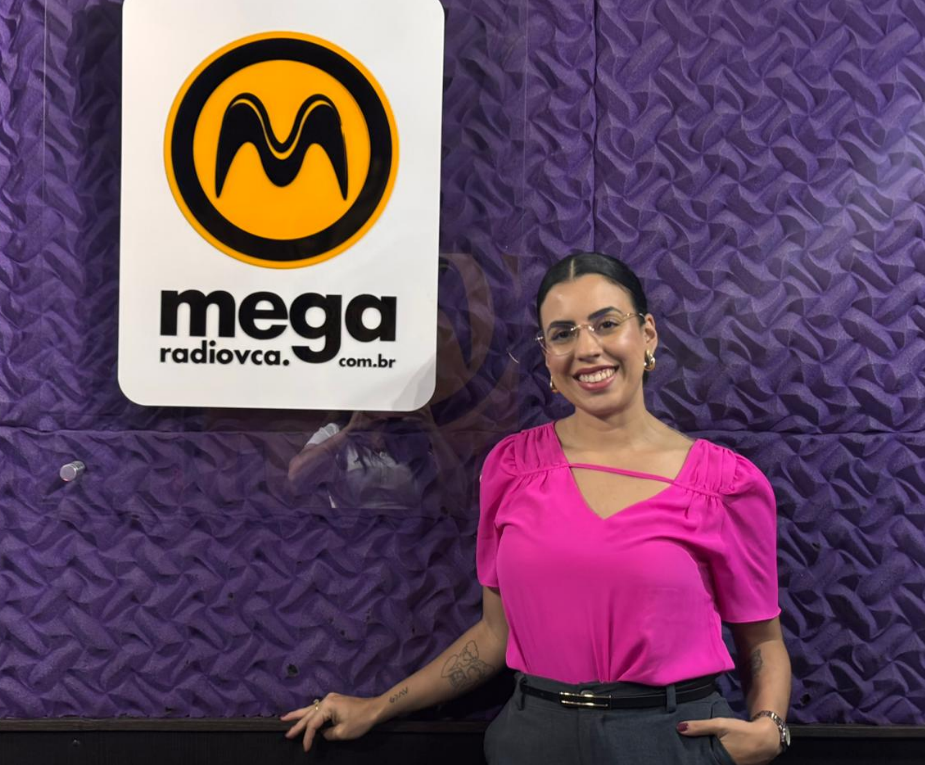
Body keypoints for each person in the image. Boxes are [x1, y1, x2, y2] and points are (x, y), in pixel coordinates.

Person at [282, 252, 792, 764]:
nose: (587, 349)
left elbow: (762, 640)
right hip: (532, 739)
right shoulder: (512, 468)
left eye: (607, 324)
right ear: (547, 356)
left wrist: (770, 728)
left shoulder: (726, 484)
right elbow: (494, 635)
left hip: (670, 740)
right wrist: (378, 707)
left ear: (647, 335)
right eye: (563, 333)